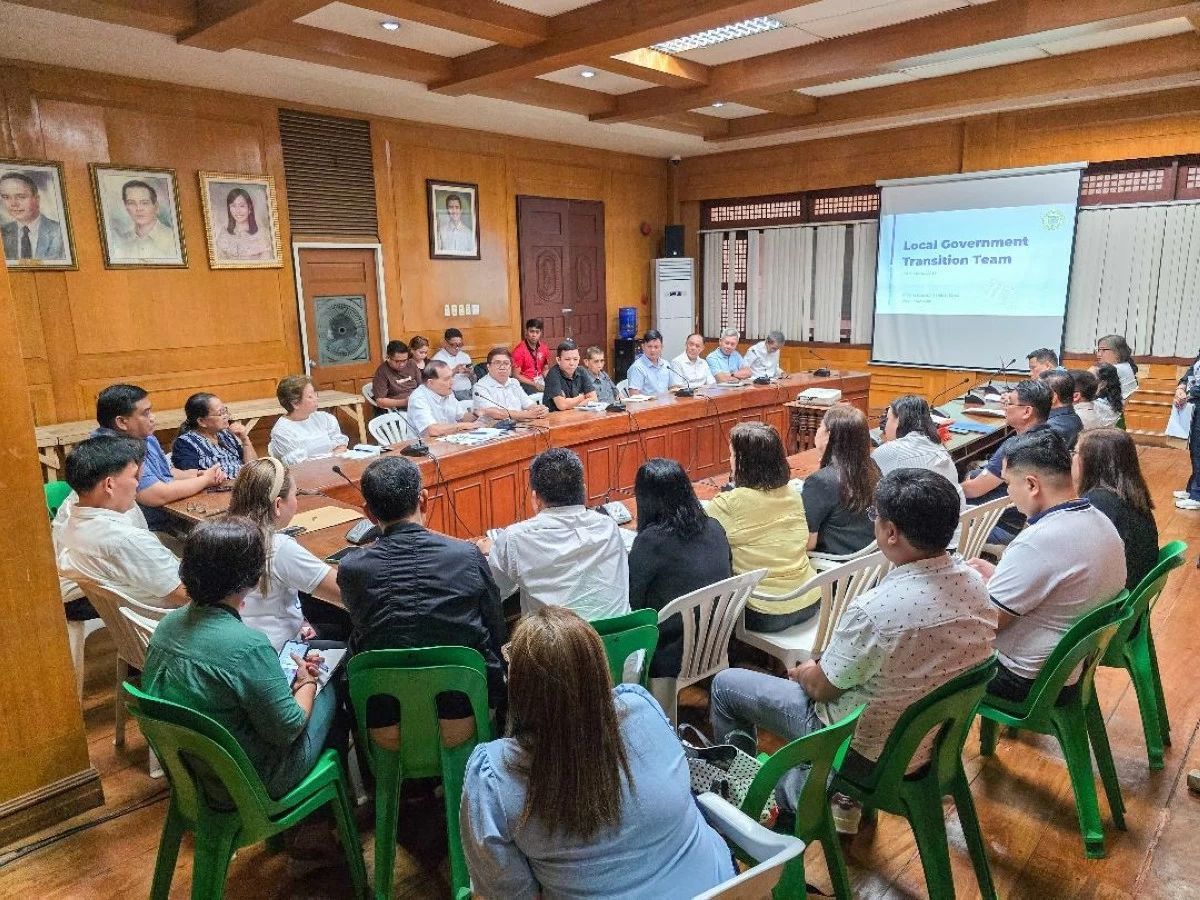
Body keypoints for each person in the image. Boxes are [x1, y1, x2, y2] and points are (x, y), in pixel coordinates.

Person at [710, 469, 997, 830]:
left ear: (891, 532)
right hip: (932, 746)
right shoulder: (977, 586)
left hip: (863, 752)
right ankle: (821, 788)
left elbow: (821, 688)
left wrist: (802, 672)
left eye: (876, 518)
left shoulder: (876, 610)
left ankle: (771, 799)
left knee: (725, 686)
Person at [461, 607, 734, 899]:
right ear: (600, 668)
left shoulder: (494, 776)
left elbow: (510, 895)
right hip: (727, 886)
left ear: (520, 684)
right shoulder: (641, 706)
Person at [142, 516, 343, 801]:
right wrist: (307, 682)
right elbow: (289, 727)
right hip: (253, 781)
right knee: (330, 683)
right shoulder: (248, 646)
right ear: (251, 578)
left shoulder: (167, 626)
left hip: (193, 772)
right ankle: (332, 808)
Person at [337, 456, 507, 746]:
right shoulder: (466, 557)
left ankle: (377, 782)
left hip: (383, 722)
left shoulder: (353, 569)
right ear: (424, 500)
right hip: (465, 711)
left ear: (368, 513)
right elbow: (497, 632)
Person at [966, 430, 1126, 703]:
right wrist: (999, 576)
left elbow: (986, 626)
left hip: (1022, 677)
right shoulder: (1101, 520)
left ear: (1031, 485)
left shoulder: (1038, 542)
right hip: (1065, 669)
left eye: (1008, 483)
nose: (1007, 492)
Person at [478, 448, 628, 621]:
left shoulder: (514, 538)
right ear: (584, 491)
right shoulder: (608, 526)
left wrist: (492, 551)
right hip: (621, 643)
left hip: (558, 647)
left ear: (535, 499)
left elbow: (494, 592)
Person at [706, 423, 818, 632]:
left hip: (764, 610)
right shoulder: (792, 493)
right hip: (810, 598)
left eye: (732, 456)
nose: (729, 462)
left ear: (744, 463)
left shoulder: (728, 504)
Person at [56, 435, 189, 608]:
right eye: (134, 476)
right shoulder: (126, 540)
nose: (138, 484)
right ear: (109, 485)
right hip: (167, 622)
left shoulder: (68, 525)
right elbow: (187, 595)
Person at [628, 458, 732, 679]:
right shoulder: (714, 526)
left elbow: (633, 603)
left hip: (670, 655)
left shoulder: (650, 542)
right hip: (717, 641)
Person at [228, 458, 343, 652]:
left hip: (242, 645)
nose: (297, 500)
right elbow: (346, 592)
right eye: (295, 494)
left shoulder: (224, 535)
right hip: (278, 655)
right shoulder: (277, 547)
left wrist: (300, 620)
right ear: (278, 505)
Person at [95, 383, 224, 532]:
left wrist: (197, 474)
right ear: (121, 422)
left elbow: (165, 473)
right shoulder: (112, 450)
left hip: (169, 521)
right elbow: (156, 495)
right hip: (145, 530)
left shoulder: (145, 437)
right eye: (146, 413)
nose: (152, 418)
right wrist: (204, 480)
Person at [961, 379, 1054, 544]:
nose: (1005, 408)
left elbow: (974, 490)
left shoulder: (1014, 448)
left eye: (1010, 404)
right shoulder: (1051, 439)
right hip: (1024, 522)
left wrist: (955, 487)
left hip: (997, 524)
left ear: (1027, 411)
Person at [873, 395, 966, 547]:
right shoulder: (937, 446)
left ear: (899, 420)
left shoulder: (890, 451)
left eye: (888, 419)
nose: (885, 426)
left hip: (924, 543)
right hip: (954, 536)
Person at [1072, 429, 1159, 590]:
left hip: (1110, 602)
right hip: (1129, 596)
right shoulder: (1131, 496)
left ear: (1092, 462)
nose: (1072, 458)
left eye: (1076, 452)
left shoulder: (1098, 504)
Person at [802, 405, 879, 556]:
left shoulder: (821, 481)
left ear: (828, 436)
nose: (817, 431)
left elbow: (807, 543)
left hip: (833, 568)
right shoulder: (872, 467)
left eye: (820, 427)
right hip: (865, 565)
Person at [171, 392, 256, 479]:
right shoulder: (185, 443)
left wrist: (245, 440)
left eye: (225, 411)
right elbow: (190, 477)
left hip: (243, 486)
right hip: (218, 490)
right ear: (201, 421)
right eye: (220, 413)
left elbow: (253, 469)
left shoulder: (226, 435)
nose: (226, 416)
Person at [268, 375, 349, 464]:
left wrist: (330, 460)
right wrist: (330, 458)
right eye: (310, 397)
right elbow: (300, 465)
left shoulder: (325, 418)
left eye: (315, 394)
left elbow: (341, 447)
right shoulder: (282, 431)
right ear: (295, 403)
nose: (316, 399)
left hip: (333, 468)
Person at [1, 171, 65, 262]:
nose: (13, 204)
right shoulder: (2, 232)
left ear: (37, 200)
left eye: (21, 196)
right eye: (6, 197)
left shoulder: (60, 232)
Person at [472, 347, 549, 421]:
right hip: (495, 430)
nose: (502, 367)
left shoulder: (514, 382)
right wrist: (527, 415)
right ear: (488, 367)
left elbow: (528, 404)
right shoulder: (480, 387)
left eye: (506, 363)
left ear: (510, 366)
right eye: (497, 363)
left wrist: (540, 410)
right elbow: (494, 413)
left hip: (521, 427)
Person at [407, 360, 477, 437]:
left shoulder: (447, 392)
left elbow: (461, 418)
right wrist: (462, 426)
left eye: (451, 377)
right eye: (447, 379)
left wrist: (479, 413)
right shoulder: (418, 398)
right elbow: (432, 430)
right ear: (430, 383)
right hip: (425, 446)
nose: (452, 382)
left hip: (450, 441)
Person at [112, 180, 177, 259]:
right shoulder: (121, 242)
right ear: (126, 207)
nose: (138, 208)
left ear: (156, 207)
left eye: (144, 203)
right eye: (131, 203)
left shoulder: (173, 239)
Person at [1174, 351, 1200, 511]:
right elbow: (1191, 371)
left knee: (1199, 451)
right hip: (1195, 405)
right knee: (1195, 449)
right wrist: (1181, 387)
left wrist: (1188, 394)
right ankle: (1192, 488)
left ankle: (1197, 496)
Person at [214, 187, 269, 260]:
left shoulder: (262, 234)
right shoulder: (224, 235)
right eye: (233, 206)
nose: (238, 211)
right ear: (229, 209)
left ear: (249, 208)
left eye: (242, 206)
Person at [542, 339, 597, 411]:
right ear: (558, 360)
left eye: (575, 359)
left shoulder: (581, 371)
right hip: (556, 419)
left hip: (577, 415)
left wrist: (571, 404)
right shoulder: (553, 374)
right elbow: (561, 405)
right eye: (567, 359)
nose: (572, 363)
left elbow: (594, 399)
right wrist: (581, 397)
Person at [1039, 369, 1084, 450]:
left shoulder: (1050, 428)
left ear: (1053, 397)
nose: (1033, 395)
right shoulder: (1072, 417)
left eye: (1038, 391)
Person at [371, 340, 420, 413]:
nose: (402, 364)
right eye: (397, 361)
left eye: (405, 360)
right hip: (398, 408)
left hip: (418, 403)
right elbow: (380, 401)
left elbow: (422, 385)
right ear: (388, 358)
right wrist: (405, 402)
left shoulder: (411, 364)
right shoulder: (382, 372)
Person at [626, 329, 681, 394]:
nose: (653, 350)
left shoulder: (666, 365)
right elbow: (634, 396)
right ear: (643, 347)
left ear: (661, 347)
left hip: (666, 403)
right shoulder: (637, 368)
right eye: (649, 346)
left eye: (656, 347)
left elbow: (673, 387)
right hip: (647, 404)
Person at [433, 327, 476, 400]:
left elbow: (473, 379)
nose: (457, 348)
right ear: (445, 343)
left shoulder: (465, 356)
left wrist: (471, 373)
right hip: (453, 393)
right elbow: (437, 382)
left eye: (460, 345)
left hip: (471, 389)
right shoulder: (438, 359)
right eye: (453, 345)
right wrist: (454, 371)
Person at [511, 318, 550, 395]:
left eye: (537, 332)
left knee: (556, 389)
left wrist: (551, 381)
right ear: (526, 332)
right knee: (537, 395)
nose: (534, 335)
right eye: (531, 331)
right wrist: (535, 384)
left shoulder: (544, 348)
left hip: (540, 380)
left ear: (540, 333)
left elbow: (545, 370)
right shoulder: (519, 351)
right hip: (526, 383)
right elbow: (515, 375)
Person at [1096, 334, 1139, 399]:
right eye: (1098, 350)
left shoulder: (1117, 369)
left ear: (1118, 352)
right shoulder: (1126, 365)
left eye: (1104, 350)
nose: (1098, 354)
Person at [1092, 363, 1125, 428]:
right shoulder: (1112, 402)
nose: (1084, 381)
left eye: (1089, 378)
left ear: (1102, 384)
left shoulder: (1098, 406)